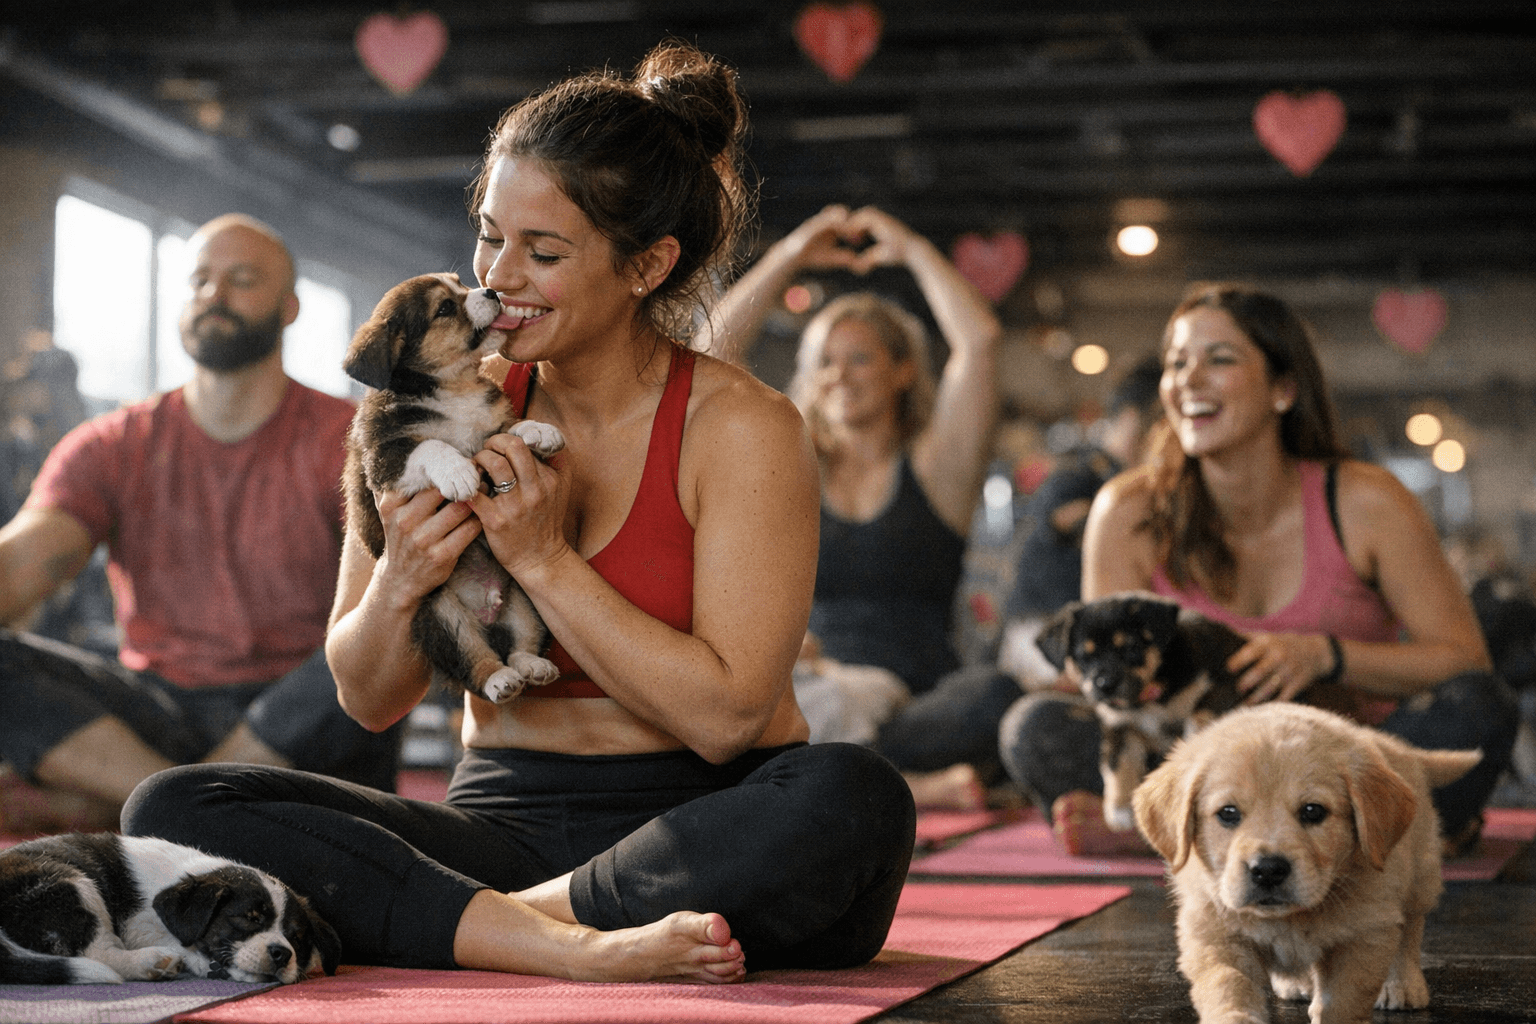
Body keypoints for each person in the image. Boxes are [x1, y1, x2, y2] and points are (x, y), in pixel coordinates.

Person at [124, 43, 915, 983]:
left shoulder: (744, 427)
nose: (497, 275)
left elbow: (727, 721)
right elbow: (367, 697)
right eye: (489, 234)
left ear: (648, 266)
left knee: (850, 794)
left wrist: (544, 561)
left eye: (543, 253)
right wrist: (403, 578)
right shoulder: (424, 404)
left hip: (704, 827)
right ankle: (547, 937)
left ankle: (492, 929)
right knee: (174, 807)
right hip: (501, 824)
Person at [998, 283, 1518, 854]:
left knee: (1478, 708)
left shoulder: (1366, 501)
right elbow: (1114, 704)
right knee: (1034, 724)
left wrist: (1324, 655)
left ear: (1283, 388)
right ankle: (1392, 841)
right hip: (1204, 770)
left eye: (1219, 359)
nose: (1187, 381)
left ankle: (1170, 843)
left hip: (1339, 770)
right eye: (1177, 363)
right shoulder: (1128, 510)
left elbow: (1465, 661)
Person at [0, 214, 402, 835]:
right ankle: (199, 812)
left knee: (375, 643)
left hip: (302, 715)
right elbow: (23, 562)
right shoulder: (112, 444)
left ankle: (157, 808)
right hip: (158, 708)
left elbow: (391, 603)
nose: (214, 295)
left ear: (290, 307)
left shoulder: (349, 440)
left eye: (242, 279)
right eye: (199, 280)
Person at [704, 204, 1005, 808]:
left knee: (995, 697)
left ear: (901, 372)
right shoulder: (790, 470)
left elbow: (980, 342)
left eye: (860, 357)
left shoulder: (937, 468)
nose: (840, 375)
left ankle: (825, 778)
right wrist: (789, 255)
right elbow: (706, 357)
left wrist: (915, 247)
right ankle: (906, 789)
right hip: (807, 689)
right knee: (734, 702)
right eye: (824, 361)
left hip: (915, 705)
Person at [997, 355, 1164, 688]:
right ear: (1133, 419)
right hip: (1045, 635)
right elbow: (1062, 519)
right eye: (1162, 421)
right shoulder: (1081, 472)